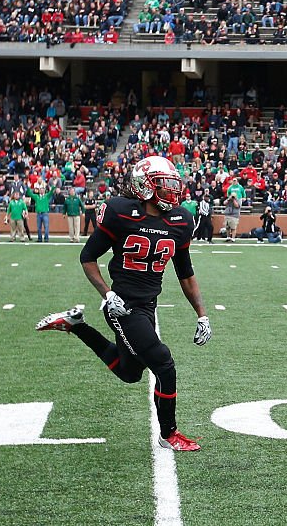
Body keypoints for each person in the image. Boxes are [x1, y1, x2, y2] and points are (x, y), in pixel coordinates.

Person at [37, 156, 211, 452]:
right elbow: (88, 257)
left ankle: (76, 326)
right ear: (145, 185)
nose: (171, 191)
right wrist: (107, 294)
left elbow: (185, 272)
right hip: (122, 306)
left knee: (130, 373)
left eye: (173, 184)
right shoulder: (121, 211)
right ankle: (168, 434)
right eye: (163, 185)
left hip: (147, 305)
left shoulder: (182, 220)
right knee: (164, 364)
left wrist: (202, 315)